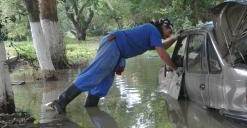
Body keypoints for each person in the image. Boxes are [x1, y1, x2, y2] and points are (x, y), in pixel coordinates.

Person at [47, 19, 177, 114]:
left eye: (170, 35)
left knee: (105, 81)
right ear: (163, 25)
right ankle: (61, 101)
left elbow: (162, 47)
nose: (168, 35)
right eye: (169, 31)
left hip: (116, 49)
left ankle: (91, 108)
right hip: (113, 44)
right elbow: (162, 53)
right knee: (95, 73)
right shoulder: (152, 29)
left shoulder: (153, 36)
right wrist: (175, 67)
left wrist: (176, 38)